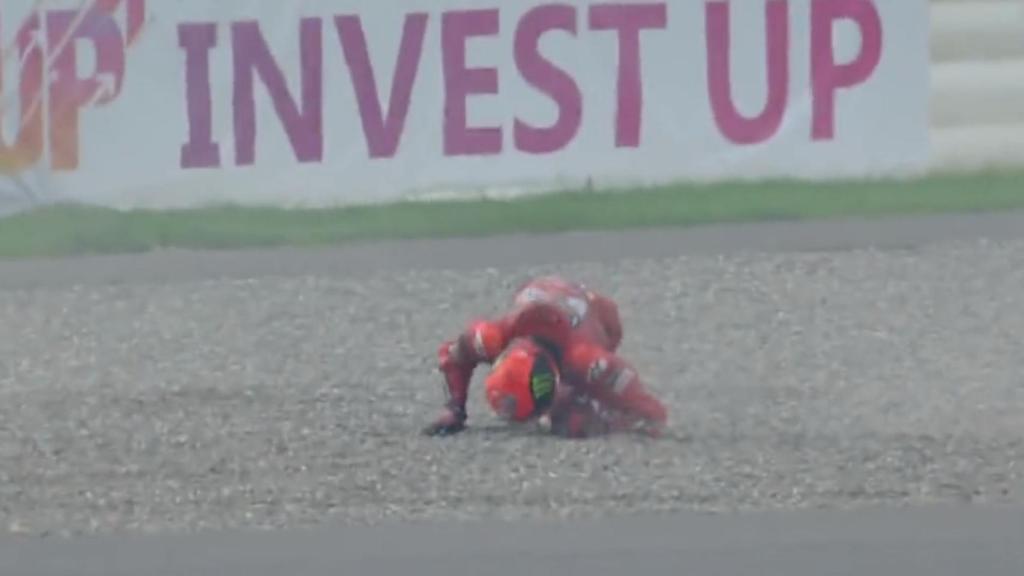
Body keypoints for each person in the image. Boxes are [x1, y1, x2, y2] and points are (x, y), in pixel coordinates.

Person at [422, 276, 668, 439]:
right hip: (542, 294)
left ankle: (579, 404)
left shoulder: (589, 361)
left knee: (574, 421)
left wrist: (605, 424)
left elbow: (651, 416)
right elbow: (452, 355)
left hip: (599, 316)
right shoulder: (489, 339)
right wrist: (455, 409)